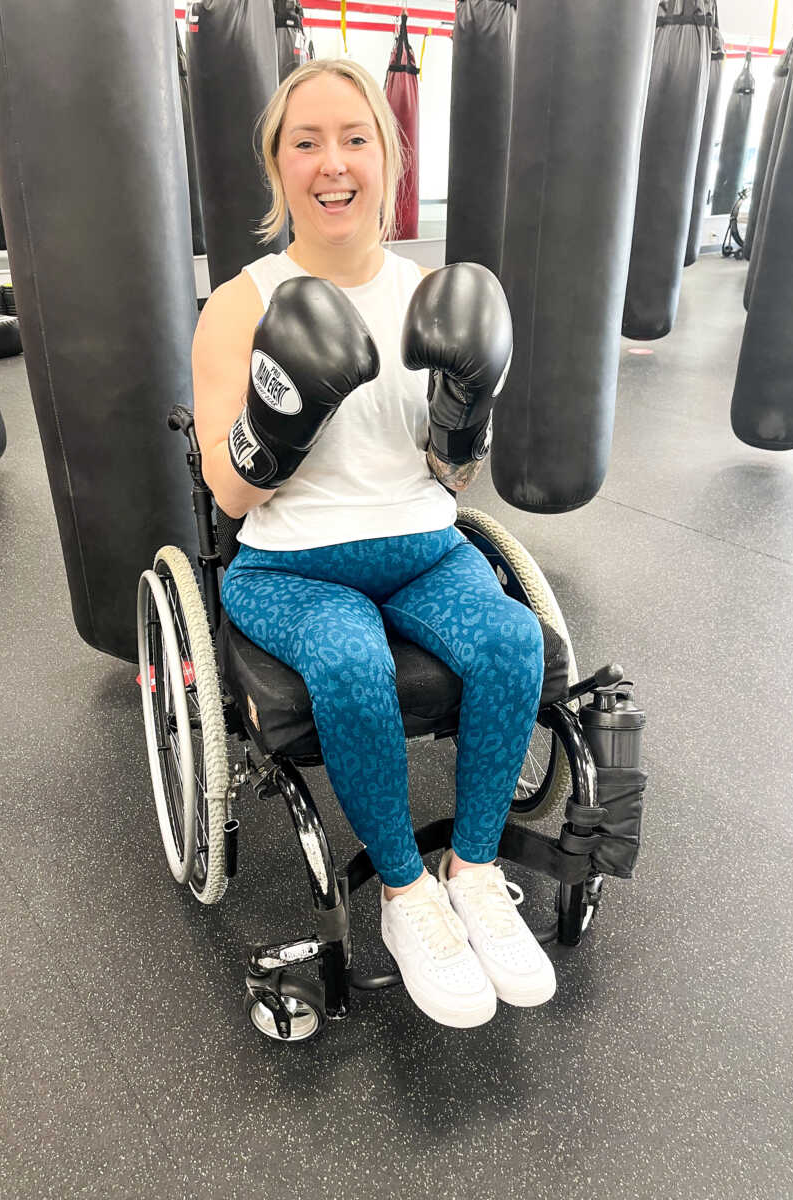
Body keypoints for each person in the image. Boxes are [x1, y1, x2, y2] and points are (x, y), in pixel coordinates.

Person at [192, 58, 555, 1029]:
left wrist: (465, 421)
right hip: (288, 567)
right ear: (279, 166)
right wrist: (281, 417)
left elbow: (453, 481)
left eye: (354, 138)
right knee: (351, 662)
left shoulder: (433, 292)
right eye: (305, 142)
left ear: (388, 158)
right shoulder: (242, 302)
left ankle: (473, 873)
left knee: (515, 642)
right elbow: (227, 492)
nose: (332, 162)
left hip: (423, 550)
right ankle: (404, 894)